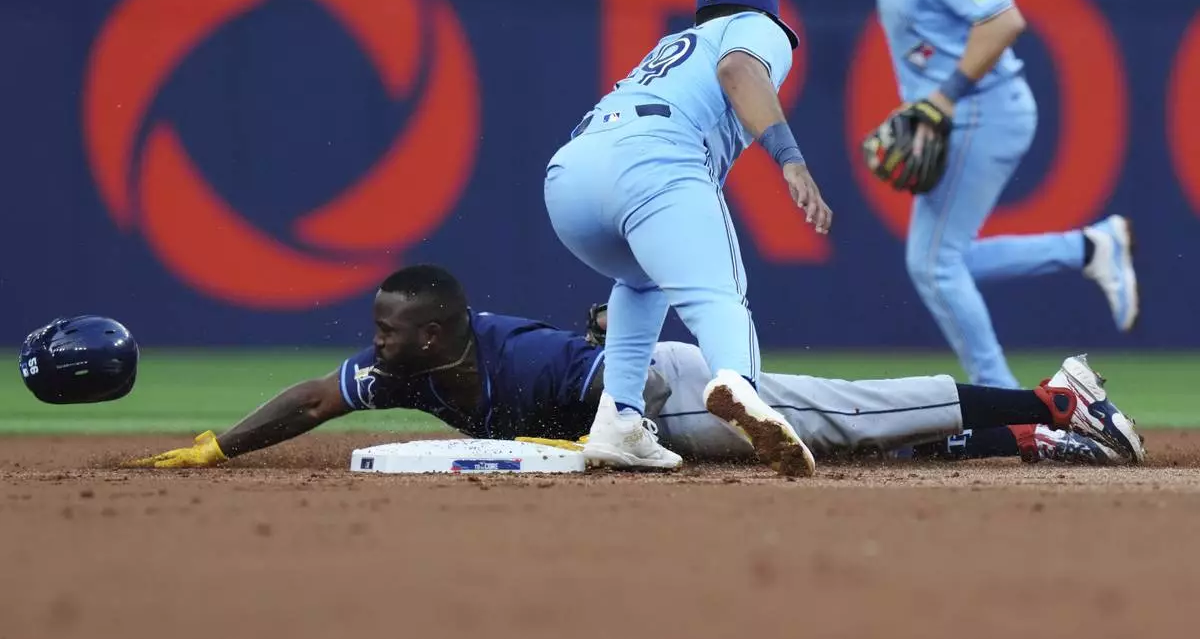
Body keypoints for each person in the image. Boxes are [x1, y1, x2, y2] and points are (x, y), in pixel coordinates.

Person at [118, 265, 1146, 470]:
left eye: (390, 331)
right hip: (643, 430)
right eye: (377, 331)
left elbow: (622, 375)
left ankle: (1061, 395)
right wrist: (219, 446)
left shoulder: (516, 360)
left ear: (437, 334)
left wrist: (624, 323)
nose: (373, 344)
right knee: (844, 445)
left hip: (661, 382)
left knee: (839, 409)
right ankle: (1024, 432)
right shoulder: (410, 374)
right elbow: (311, 398)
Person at [824, 0, 1139, 390]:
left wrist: (942, 98)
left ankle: (1001, 397)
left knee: (933, 264)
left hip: (978, 111)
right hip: (966, 111)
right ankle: (1090, 247)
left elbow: (1004, 20)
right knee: (946, 260)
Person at [542, 0, 833, 475]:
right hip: (655, 161)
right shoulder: (753, 26)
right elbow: (740, 69)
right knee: (720, 293)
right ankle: (737, 383)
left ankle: (619, 420)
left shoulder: (675, 45)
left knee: (640, 280)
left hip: (570, 176)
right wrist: (789, 157)